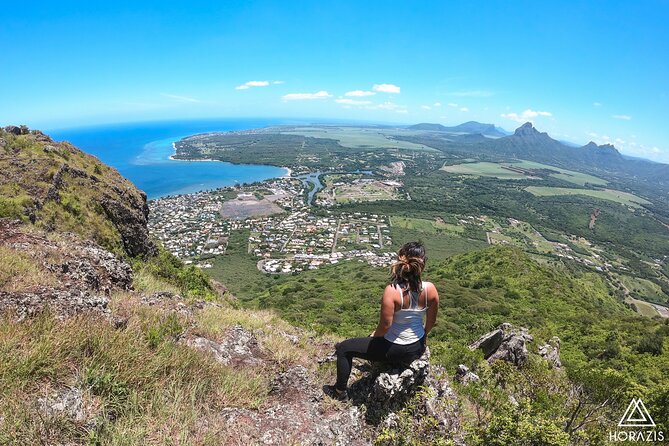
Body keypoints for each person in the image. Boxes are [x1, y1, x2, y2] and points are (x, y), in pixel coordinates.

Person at [324, 241, 439, 399]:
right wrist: (423, 337)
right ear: (422, 264)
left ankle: (339, 392)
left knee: (344, 348)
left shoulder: (392, 291)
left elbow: (385, 326)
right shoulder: (430, 289)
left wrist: (373, 338)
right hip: (416, 348)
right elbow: (431, 321)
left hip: (393, 348)